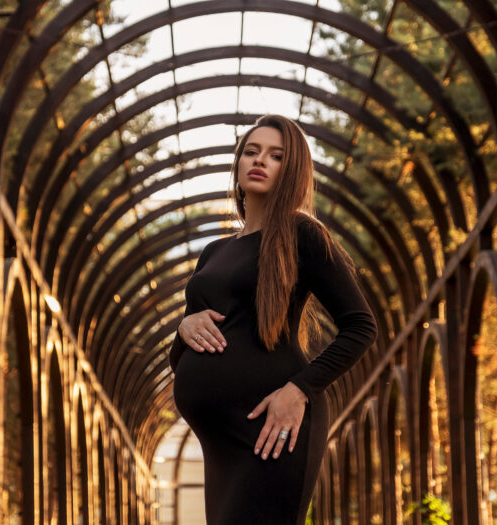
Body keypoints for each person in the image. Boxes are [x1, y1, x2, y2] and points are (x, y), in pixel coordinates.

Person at [168, 114, 378, 524]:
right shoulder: (213, 252)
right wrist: (183, 327)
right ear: (239, 163)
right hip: (221, 443)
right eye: (251, 151)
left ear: (292, 169)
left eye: (276, 155)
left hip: (273, 431)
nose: (259, 160)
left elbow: (361, 326)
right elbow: (183, 357)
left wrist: (297, 391)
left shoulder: (303, 234)